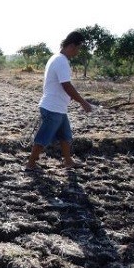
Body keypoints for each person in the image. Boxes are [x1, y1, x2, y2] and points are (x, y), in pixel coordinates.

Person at [26, 31, 92, 170]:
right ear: (72, 46)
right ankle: (31, 163)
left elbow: (63, 86)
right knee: (44, 136)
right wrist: (83, 102)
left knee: (65, 136)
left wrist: (70, 98)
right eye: (78, 48)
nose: (78, 52)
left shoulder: (56, 58)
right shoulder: (61, 61)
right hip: (52, 107)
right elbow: (66, 85)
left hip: (58, 107)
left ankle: (68, 161)